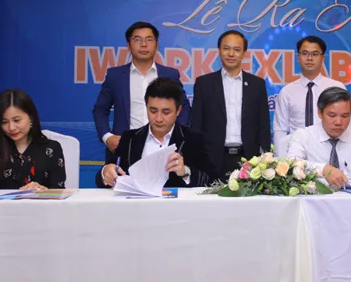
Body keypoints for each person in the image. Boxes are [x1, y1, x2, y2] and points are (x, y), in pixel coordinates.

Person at [92, 21, 191, 164]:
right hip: (126, 148)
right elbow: (100, 110)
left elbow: (184, 107)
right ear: (128, 45)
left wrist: (178, 138)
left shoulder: (170, 75)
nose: (144, 44)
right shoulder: (115, 76)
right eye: (137, 40)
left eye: (149, 40)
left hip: (164, 149)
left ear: (156, 45)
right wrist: (107, 137)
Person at [96, 78, 216, 188]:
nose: (158, 118)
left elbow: (212, 181)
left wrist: (185, 172)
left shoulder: (193, 139)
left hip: (177, 204)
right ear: (146, 107)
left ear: (178, 111)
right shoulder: (130, 139)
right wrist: (105, 172)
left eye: (166, 112)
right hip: (137, 204)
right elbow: (105, 176)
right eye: (153, 111)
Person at [191, 30, 271, 180]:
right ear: (219, 50)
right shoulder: (204, 83)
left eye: (237, 49)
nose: (231, 54)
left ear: (244, 53)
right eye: (226, 48)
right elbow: (196, 125)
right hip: (212, 159)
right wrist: (197, 158)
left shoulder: (257, 84)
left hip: (249, 160)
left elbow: (263, 127)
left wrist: (264, 160)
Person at [287, 87, 351, 188]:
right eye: (332, 115)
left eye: (344, 116)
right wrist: (323, 169)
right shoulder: (303, 136)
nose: (338, 122)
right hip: (315, 196)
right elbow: (291, 164)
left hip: (350, 197)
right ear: (320, 113)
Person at [273, 36, 348, 147]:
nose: (309, 58)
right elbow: (280, 130)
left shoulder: (336, 87)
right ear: (298, 57)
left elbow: (347, 126)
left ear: (322, 58)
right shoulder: (287, 92)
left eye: (315, 54)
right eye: (305, 53)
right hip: (296, 150)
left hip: (329, 149)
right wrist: (281, 155)